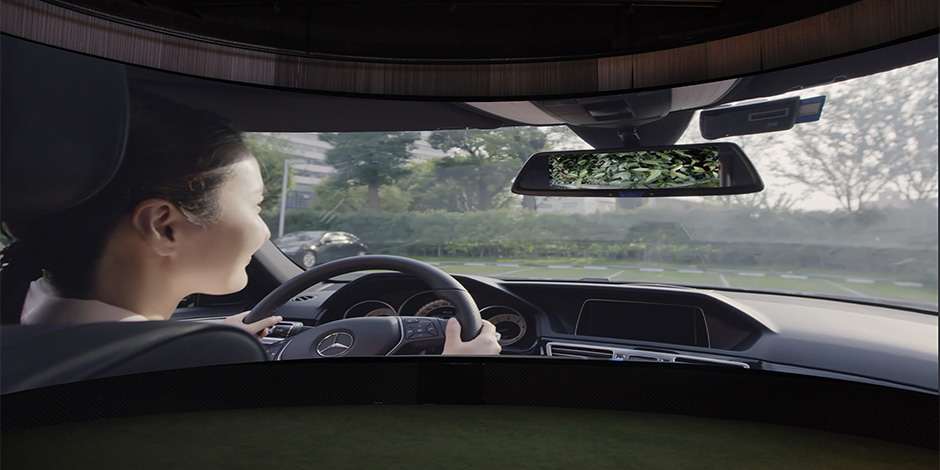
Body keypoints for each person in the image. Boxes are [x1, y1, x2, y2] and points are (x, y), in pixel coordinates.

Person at [1, 91, 501, 355]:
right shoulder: (194, 363)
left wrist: (211, 334)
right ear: (164, 226)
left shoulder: (26, 333)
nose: (264, 231)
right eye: (257, 206)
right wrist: (455, 375)